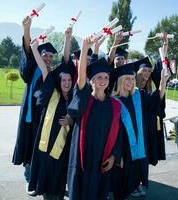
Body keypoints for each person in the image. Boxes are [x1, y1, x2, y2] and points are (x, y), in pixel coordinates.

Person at [67, 37, 122, 200]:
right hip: (82, 156)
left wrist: (114, 156)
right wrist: (85, 49)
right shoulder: (84, 99)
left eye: (106, 77)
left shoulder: (114, 105)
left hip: (102, 157)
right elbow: (81, 78)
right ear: (91, 81)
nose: (103, 81)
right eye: (99, 77)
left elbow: (118, 134)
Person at [111, 61, 170, 199]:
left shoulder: (139, 96)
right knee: (119, 186)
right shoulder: (113, 102)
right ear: (120, 80)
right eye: (127, 78)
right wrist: (116, 155)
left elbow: (156, 100)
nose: (130, 82)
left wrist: (163, 81)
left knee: (131, 183)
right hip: (121, 150)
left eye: (132, 79)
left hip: (136, 151)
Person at [12, 16, 58, 190]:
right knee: (29, 144)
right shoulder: (32, 69)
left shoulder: (51, 73)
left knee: (41, 147)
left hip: (44, 116)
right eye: (45, 55)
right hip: (30, 115)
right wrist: (27, 31)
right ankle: (28, 177)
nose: (47, 58)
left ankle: (38, 177)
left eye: (50, 56)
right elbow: (28, 53)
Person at [26, 38, 75, 200]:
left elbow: (66, 60)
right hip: (47, 142)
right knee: (47, 175)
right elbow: (44, 69)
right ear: (59, 81)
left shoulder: (74, 99)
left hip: (64, 146)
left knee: (60, 176)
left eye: (69, 80)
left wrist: (70, 121)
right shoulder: (52, 93)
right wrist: (34, 49)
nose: (67, 83)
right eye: (64, 80)